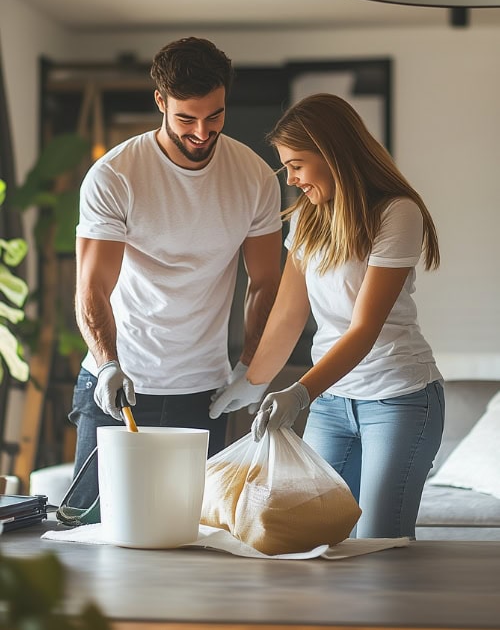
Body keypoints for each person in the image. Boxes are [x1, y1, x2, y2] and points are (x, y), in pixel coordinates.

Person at [209, 92, 445, 539]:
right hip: (333, 404)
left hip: (398, 398)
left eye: (297, 164)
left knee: (378, 544)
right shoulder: (307, 218)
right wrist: (251, 379)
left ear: (333, 153)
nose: (292, 179)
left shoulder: (397, 214)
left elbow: (364, 328)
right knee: (313, 537)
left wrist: (299, 392)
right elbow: (288, 314)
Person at [69, 36, 282, 509]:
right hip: (120, 384)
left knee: (190, 529)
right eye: (186, 118)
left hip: (203, 389)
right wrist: (106, 363)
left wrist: (250, 367)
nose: (202, 133)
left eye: (215, 116)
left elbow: (266, 283)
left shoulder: (255, 178)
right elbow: (93, 287)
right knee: (93, 528)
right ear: (160, 102)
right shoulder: (116, 175)